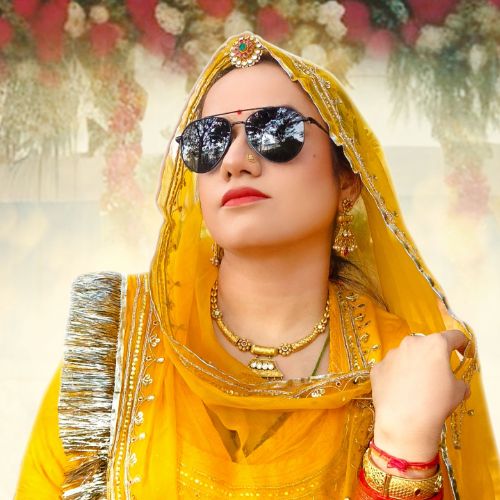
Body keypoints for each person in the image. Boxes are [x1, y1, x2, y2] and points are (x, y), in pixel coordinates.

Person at [15, 32, 499, 499]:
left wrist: (404, 448)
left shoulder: (408, 365)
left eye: (275, 131)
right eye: (208, 139)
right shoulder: (119, 346)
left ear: (348, 180)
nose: (235, 160)